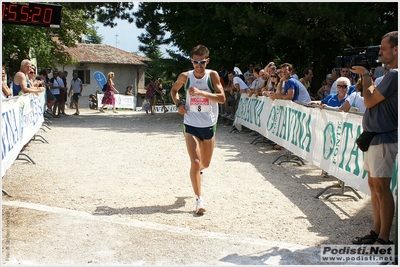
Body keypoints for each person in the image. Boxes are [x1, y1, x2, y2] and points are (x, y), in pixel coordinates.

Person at [350, 31, 398, 246]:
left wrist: (366, 74)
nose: (379, 53)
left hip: (384, 137)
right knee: (374, 186)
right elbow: (369, 95)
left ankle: (384, 238)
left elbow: (368, 102)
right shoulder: (389, 74)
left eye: (383, 48)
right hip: (374, 138)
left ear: (396, 49)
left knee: (382, 187)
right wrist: (365, 76)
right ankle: (376, 231)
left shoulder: (395, 74)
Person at [170, 44, 225, 215]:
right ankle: (199, 199)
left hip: (208, 125)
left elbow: (222, 98)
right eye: (195, 61)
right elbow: (173, 90)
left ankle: (198, 172)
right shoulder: (185, 77)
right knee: (195, 161)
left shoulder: (212, 75)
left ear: (207, 61)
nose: (199, 65)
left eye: (202, 62)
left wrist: (202, 93)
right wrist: (178, 104)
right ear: (191, 61)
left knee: (205, 163)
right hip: (191, 124)